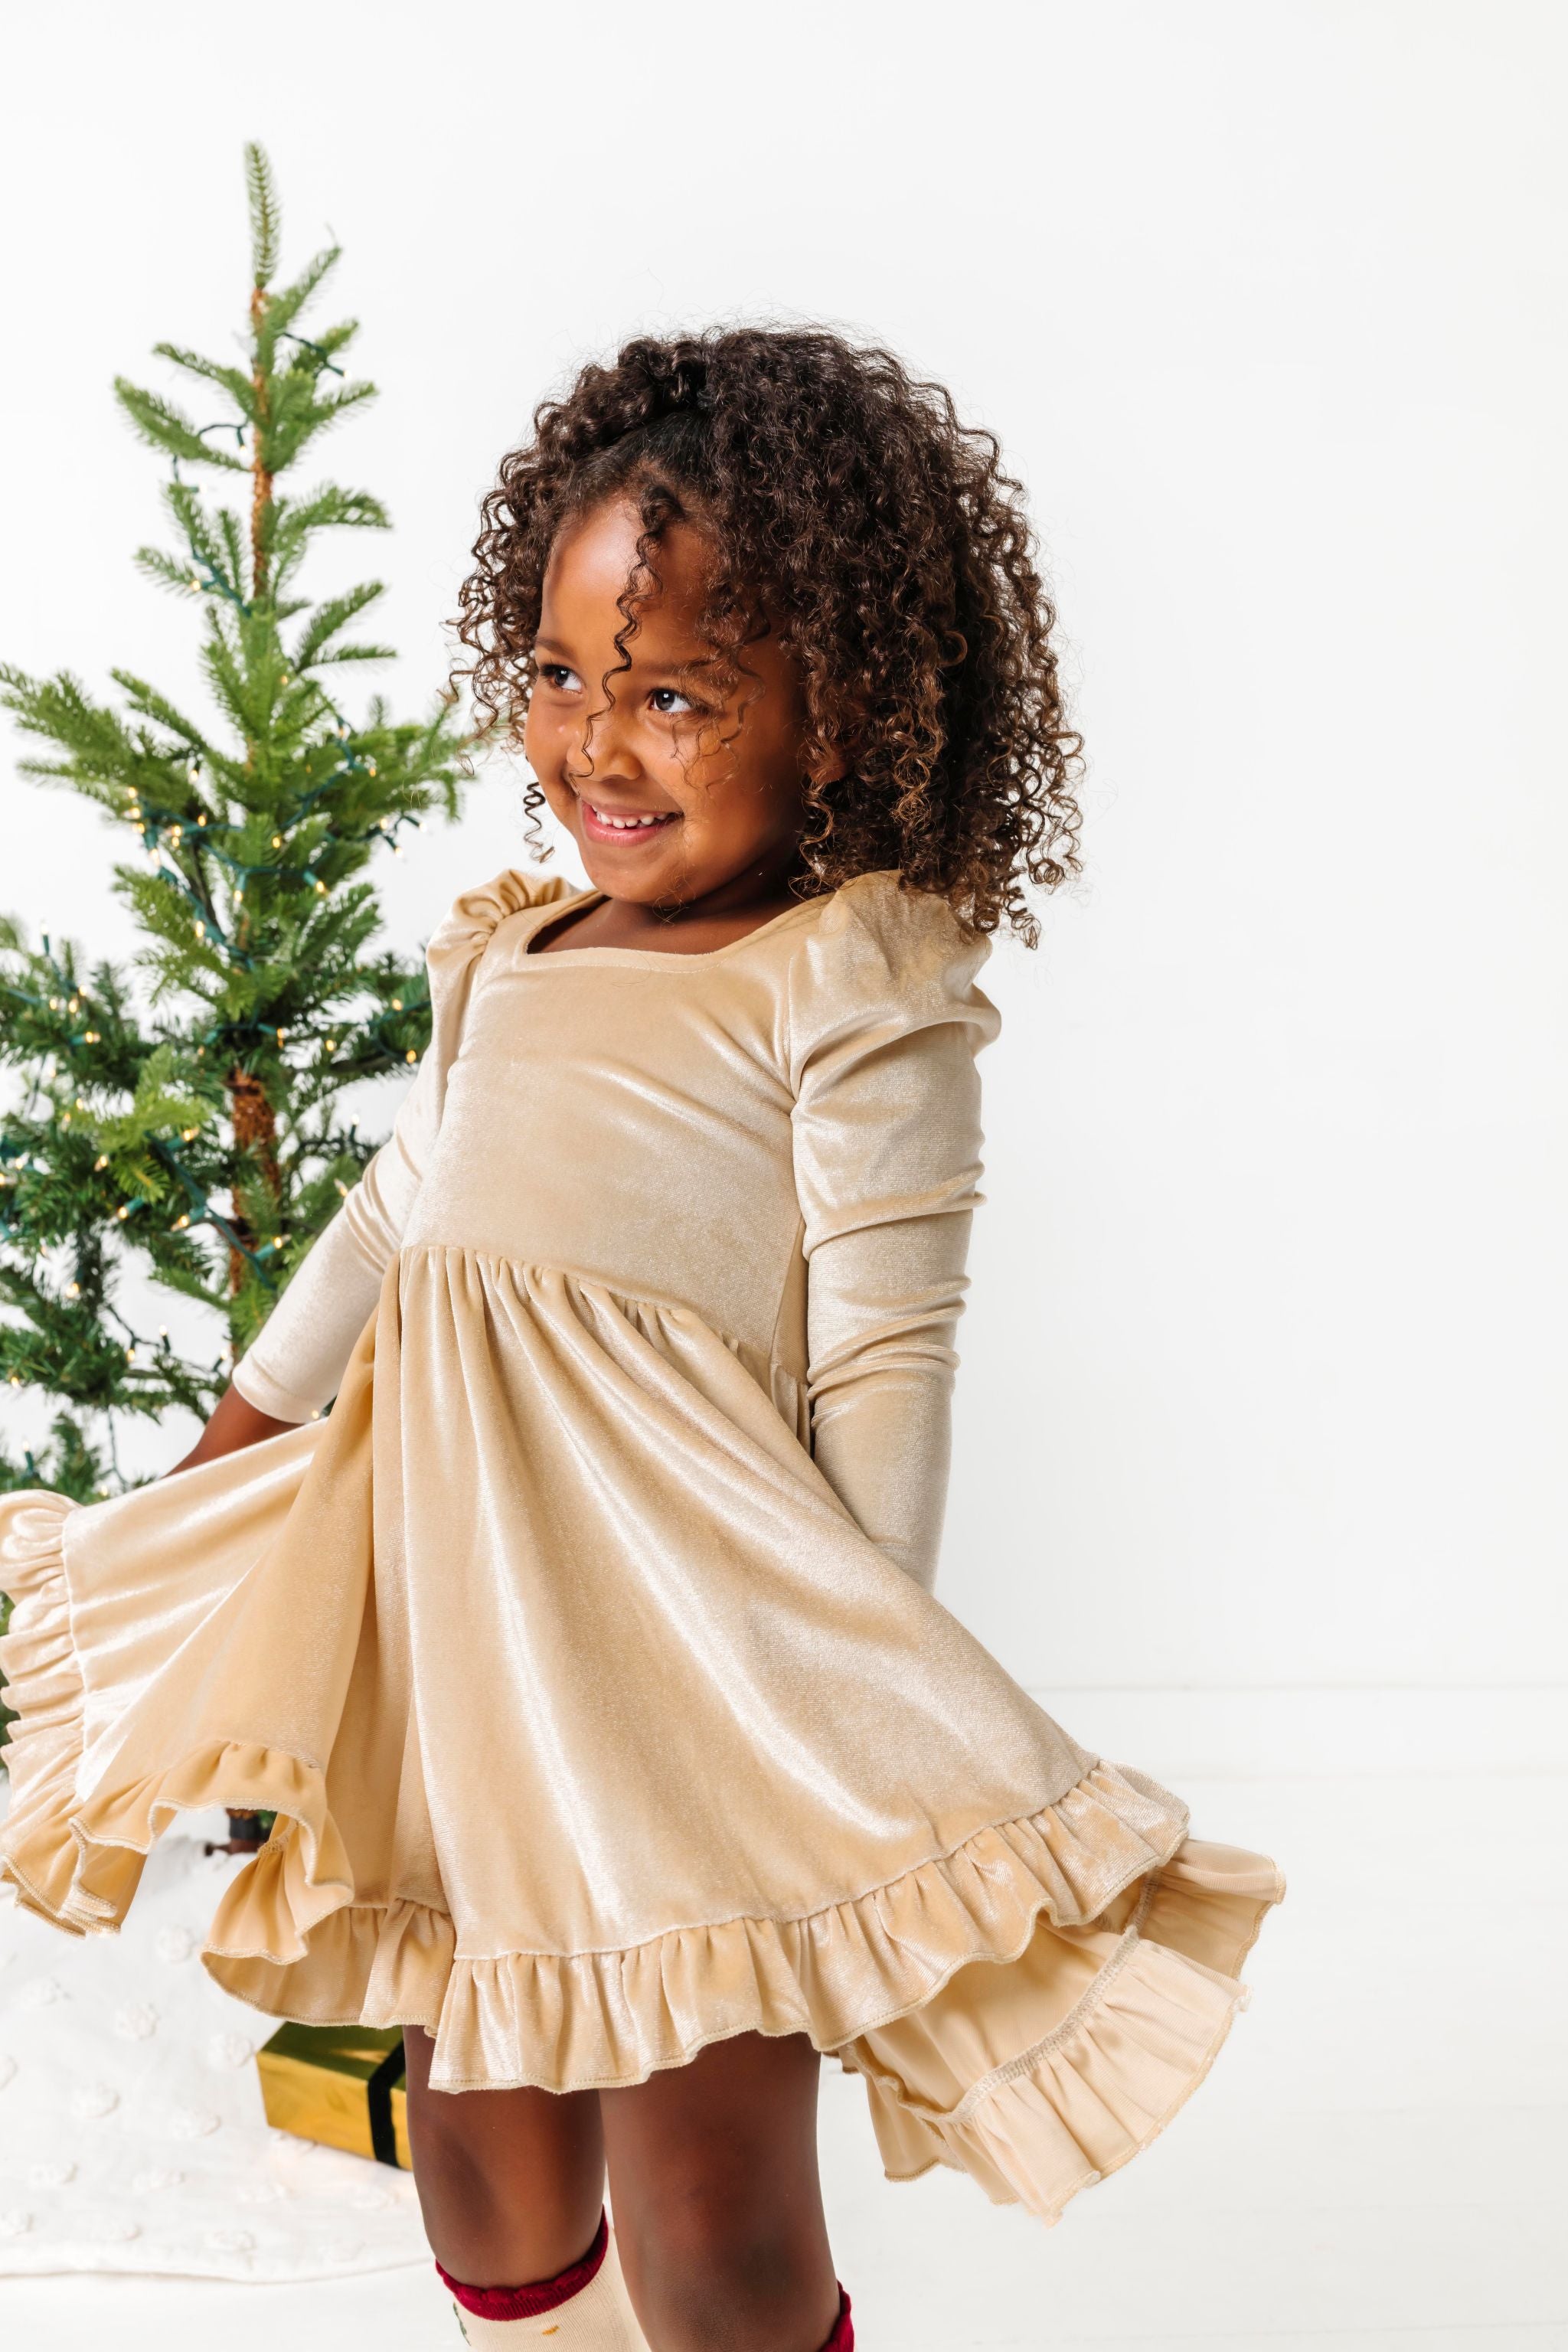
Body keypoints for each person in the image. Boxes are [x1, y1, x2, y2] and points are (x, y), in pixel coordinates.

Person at [0, 330, 1284, 2351]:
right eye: (559, 674)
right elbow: (384, 1224)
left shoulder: (842, 979)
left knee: (717, 2192)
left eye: (673, 694)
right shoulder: (513, 955)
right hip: (457, 1653)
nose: (594, 744)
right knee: (475, 2123)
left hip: (696, 1690)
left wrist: (849, 1708)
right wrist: (221, 1462)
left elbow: (884, 1355)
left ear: (842, 717)